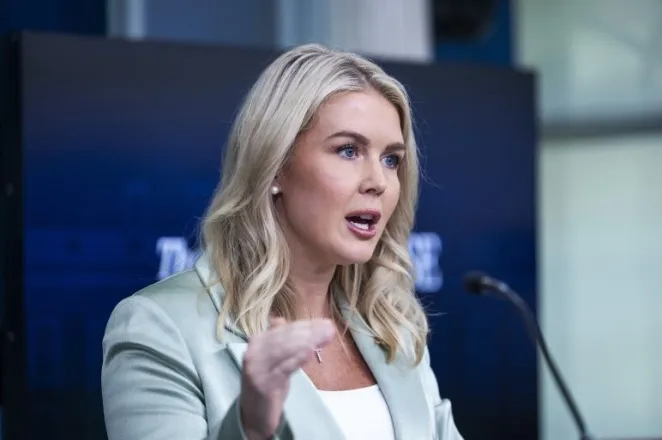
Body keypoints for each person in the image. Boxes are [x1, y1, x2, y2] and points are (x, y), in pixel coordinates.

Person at [101, 43, 464, 440]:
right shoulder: (158, 325)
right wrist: (251, 428)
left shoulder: (392, 328)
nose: (378, 181)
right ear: (275, 165)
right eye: (348, 151)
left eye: (391, 159)